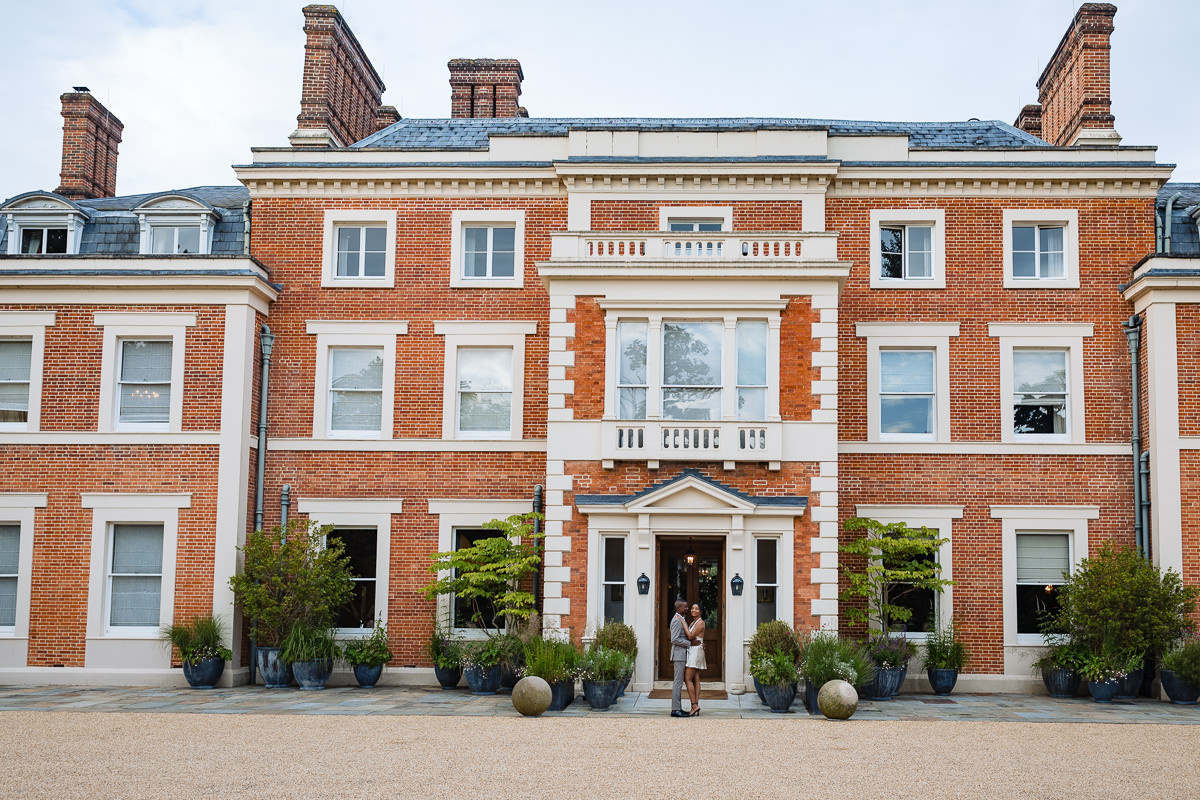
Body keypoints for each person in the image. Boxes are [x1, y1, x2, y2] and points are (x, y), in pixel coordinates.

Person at [669, 598, 694, 718]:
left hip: (682, 654)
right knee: (678, 683)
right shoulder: (676, 621)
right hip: (679, 655)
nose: (687, 609)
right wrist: (690, 644)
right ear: (679, 608)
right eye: (685, 607)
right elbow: (674, 639)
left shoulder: (681, 619)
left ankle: (677, 708)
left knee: (679, 682)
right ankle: (675, 710)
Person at [684, 602, 707, 716]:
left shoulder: (700, 622)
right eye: (692, 608)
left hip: (696, 652)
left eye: (696, 609)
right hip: (695, 650)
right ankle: (695, 704)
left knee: (687, 679)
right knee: (696, 678)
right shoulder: (694, 622)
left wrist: (683, 622)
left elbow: (690, 635)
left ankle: (694, 705)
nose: (693, 610)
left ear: (700, 611)